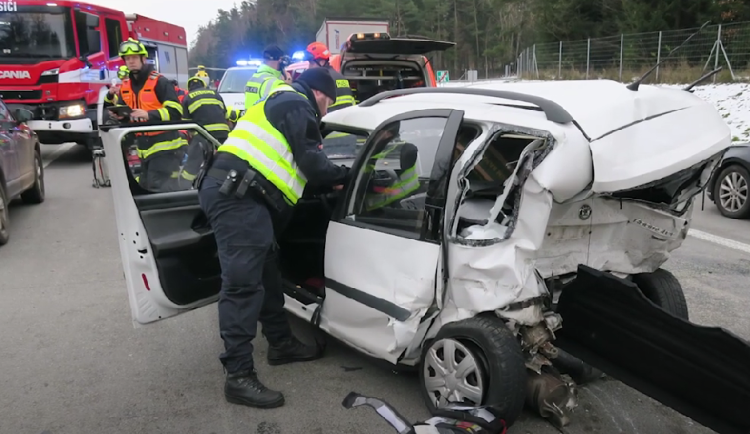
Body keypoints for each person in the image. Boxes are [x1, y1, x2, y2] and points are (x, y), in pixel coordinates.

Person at [197, 67, 348, 409]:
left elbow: (292, 163)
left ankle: (281, 343)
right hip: (239, 196)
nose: (326, 111)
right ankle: (238, 376)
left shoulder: (278, 102)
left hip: (241, 191)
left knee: (267, 270)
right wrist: (349, 176)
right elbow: (314, 165)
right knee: (242, 286)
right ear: (320, 93)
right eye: (329, 103)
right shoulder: (296, 103)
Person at [104, 38, 187, 192]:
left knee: (158, 190)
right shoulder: (126, 86)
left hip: (165, 147)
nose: (131, 62)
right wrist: (122, 116)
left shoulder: (159, 82)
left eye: (135, 57)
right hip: (143, 147)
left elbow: (176, 112)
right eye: (127, 59)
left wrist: (149, 114)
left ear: (143, 58)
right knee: (144, 187)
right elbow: (128, 113)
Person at [180, 75, 240, 185]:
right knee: (224, 162)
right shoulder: (216, 94)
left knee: (192, 166)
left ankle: (183, 188)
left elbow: (186, 124)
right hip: (223, 134)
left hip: (203, 135)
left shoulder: (188, 97)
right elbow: (227, 118)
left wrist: (192, 142)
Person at [304, 42, 355, 112]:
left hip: (329, 120)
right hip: (346, 120)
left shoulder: (320, 80)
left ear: (321, 62)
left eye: (311, 63)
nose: (309, 67)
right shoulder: (341, 77)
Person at [244, 44, 292, 109]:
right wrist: (287, 86)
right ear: (280, 60)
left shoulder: (253, 78)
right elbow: (286, 105)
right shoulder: (274, 83)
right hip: (264, 119)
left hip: (250, 118)